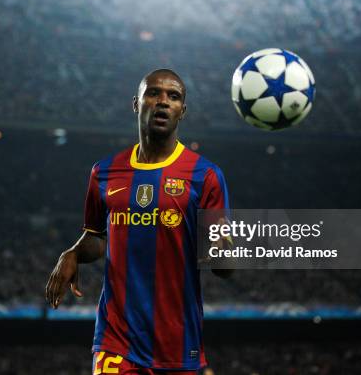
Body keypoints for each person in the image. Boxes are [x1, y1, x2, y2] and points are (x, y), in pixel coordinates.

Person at [45, 69, 232, 374]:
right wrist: (74, 253)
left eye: (173, 97)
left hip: (178, 342)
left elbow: (224, 268)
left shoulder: (206, 176)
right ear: (136, 103)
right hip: (116, 339)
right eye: (153, 93)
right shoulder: (104, 172)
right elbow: (96, 236)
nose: (162, 102)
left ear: (182, 112)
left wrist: (221, 246)